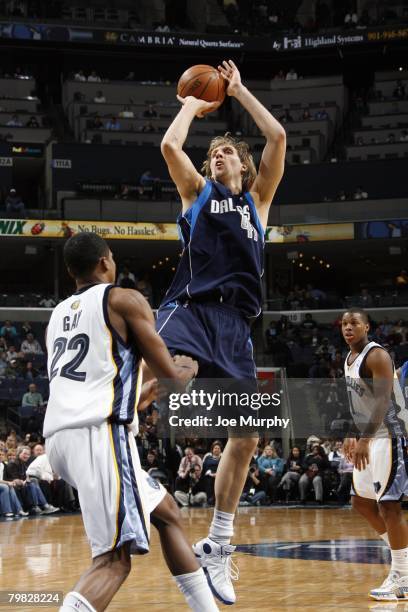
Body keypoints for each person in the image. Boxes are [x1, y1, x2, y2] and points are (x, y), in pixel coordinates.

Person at [156, 59, 286, 604]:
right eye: (213, 153)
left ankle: (219, 542)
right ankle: (106, 434)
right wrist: (192, 106)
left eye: (227, 151)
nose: (217, 155)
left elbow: (277, 134)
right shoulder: (198, 195)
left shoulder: (257, 203)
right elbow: (169, 147)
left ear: (244, 164)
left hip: (235, 326)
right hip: (191, 308)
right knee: (169, 377)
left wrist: (240, 92)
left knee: (247, 436)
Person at [43, 232, 219, 612]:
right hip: (99, 436)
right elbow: (172, 376)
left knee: (168, 513)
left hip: (62, 439)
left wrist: (153, 388)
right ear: (106, 261)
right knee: (113, 561)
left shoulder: (57, 315)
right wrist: (184, 370)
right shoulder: (123, 299)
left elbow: (116, 393)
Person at [342, 308, 408, 601]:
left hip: (389, 435)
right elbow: (358, 401)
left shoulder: (377, 355)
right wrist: (350, 432)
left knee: (389, 505)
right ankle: (403, 556)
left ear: (366, 327)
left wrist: (366, 438)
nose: (348, 327)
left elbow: (383, 400)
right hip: (370, 435)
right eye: (344, 323)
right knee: (361, 501)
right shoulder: (348, 359)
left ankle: (403, 576)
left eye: (354, 322)